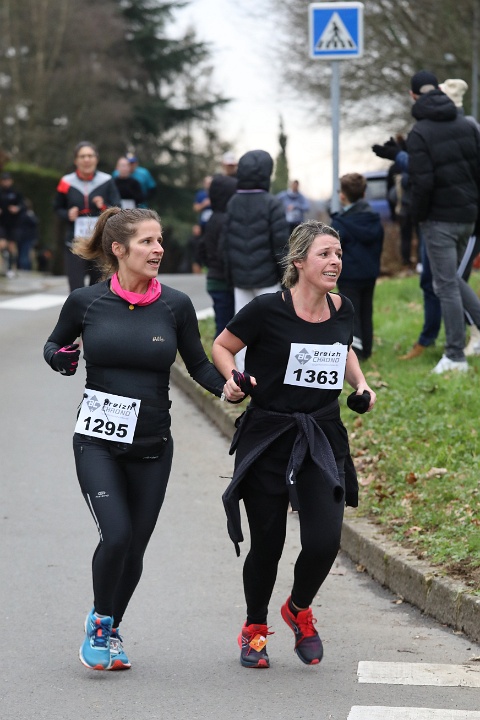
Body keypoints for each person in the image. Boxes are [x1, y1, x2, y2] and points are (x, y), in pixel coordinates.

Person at [43, 206, 236, 672]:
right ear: (118, 248)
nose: (158, 249)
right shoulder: (85, 302)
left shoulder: (175, 305)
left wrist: (228, 387)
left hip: (152, 445)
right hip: (97, 441)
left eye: (159, 240)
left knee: (134, 550)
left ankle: (112, 626)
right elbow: (53, 345)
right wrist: (62, 358)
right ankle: (99, 623)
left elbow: (198, 364)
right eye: (147, 241)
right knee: (117, 535)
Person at [213, 220, 376, 669]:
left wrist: (361, 384)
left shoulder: (342, 307)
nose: (335, 261)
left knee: (324, 541)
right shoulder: (267, 309)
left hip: (321, 436)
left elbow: (343, 348)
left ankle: (298, 608)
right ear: (299, 261)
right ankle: (254, 628)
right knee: (267, 544)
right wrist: (233, 379)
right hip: (270, 436)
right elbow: (223, 346)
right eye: (325, 254)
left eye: (338, 253)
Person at [406, 70, 480, 371]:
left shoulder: (419, 132)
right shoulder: (469, 125)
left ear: (413, 95)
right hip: (468, 217)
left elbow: (422, 184)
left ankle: (455, 356)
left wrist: (418, 217)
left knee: (446, 285)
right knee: (453, 280)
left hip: (439, 220)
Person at [223, 149, 290, 370]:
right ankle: (270, 372)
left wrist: (229, 276)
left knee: (240, 327)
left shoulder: (233, 202)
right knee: (272, 326)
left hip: (240, 279)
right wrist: (287, 277)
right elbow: (280, 245)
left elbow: (226, 243)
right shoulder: (272, 203)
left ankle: (242, 374)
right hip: (268, 278)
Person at [54, 141, 121, 292]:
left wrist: (104, 206)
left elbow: (118, 208)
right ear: (76, 160)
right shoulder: (66, 182)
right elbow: (57, 208)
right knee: (76, 289)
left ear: (96, 159)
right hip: (75, 243)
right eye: (82, 156)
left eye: (90, 156)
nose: (86, 160)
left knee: (98, 289)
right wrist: (67, 214)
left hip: (100, 243)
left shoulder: (107, 180)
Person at [330, 173, 384, 360]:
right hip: (370, 273)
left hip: (349, 276)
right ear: (363, 194)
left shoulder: (340, 223)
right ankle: (366, 349)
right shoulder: (374, 219)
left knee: (350, 313)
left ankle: (357, 352)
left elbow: (334, 249)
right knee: (366, 311)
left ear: (342, 196)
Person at [197, 173, 237, 336]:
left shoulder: (212, 218)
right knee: (226, 329)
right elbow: (224, 253)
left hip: (214, 278)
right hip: (223, 282)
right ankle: (220, 353)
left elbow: (201, 248)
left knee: (222, 324)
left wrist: (210, 264)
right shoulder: (226, 220)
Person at [0, 171, 25, 278]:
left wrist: (17, 208)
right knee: (2, 244)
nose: (6, 182)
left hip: (14, 224)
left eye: (7, 180)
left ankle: (10, 268)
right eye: (4, 180)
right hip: (2, 223)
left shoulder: (16, 193)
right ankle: (4, 260)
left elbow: (23, 205)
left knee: (11, 247)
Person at [16, 198, 39, 271]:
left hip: (24, 237)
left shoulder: (20, 215)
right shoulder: (27, 215)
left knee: (23, 253)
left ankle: (22, 268)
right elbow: (35, 222)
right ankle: (24, 268)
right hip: (26, 237)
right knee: (24, 253)